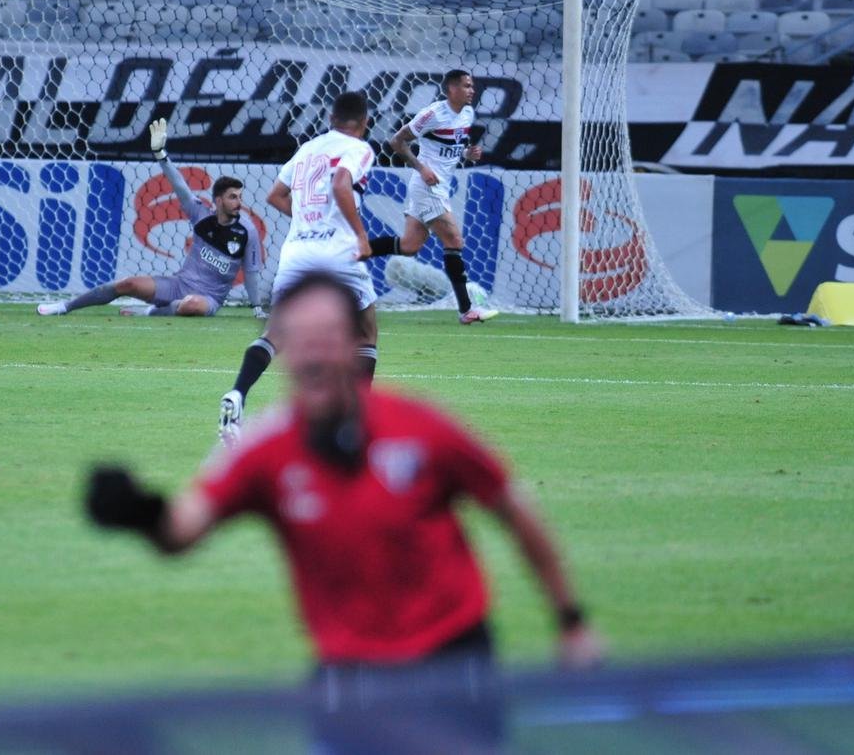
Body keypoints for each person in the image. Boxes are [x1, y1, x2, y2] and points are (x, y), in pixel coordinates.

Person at [85, 271, 602, 750]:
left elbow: (515, 510)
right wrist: (140, 512)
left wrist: (571, 622)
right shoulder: (266, 449)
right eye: (299, 340)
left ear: (353, 346)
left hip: (453, 661)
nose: (312, 353)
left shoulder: (419, 425)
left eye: (326, 338)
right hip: (348, 673)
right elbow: (182, 531)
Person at [218, 91, 379, 444]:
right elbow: (340, 184)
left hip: (297, 251)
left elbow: (275, 195)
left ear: (331, 119)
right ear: (364, 122)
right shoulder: (361, 148)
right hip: (338, 251)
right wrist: (361, 235)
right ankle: (357, 417)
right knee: (366, 331)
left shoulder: (308, 148)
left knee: (275, 335)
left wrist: (309, 220)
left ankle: (238, 394)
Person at [36, 118, 264, 318]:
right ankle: (65, 306)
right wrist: (160, 154)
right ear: (218, 200)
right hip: (178, 285)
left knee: (192, 305)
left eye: (239, 197)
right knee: (128, 284)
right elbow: (180, 185)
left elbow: (252, 272)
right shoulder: (201, 216)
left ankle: (151, 311)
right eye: (233, 197)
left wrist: (256, 307)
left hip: (209, 298)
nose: (239, 202)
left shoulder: (247, 231)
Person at [368, 69, 497, 325]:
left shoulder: (468, 114)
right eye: (466, 85)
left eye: (472, 86)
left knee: (409, 245)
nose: (472, 90)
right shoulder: (433, 113)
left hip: (439, 186)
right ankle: (467, 309)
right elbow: (396, 141)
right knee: (454, 240)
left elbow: (448, 148)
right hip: (426, 186)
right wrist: (422, 167)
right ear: (450, 89)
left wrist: (466, 155)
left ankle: (352, 252)